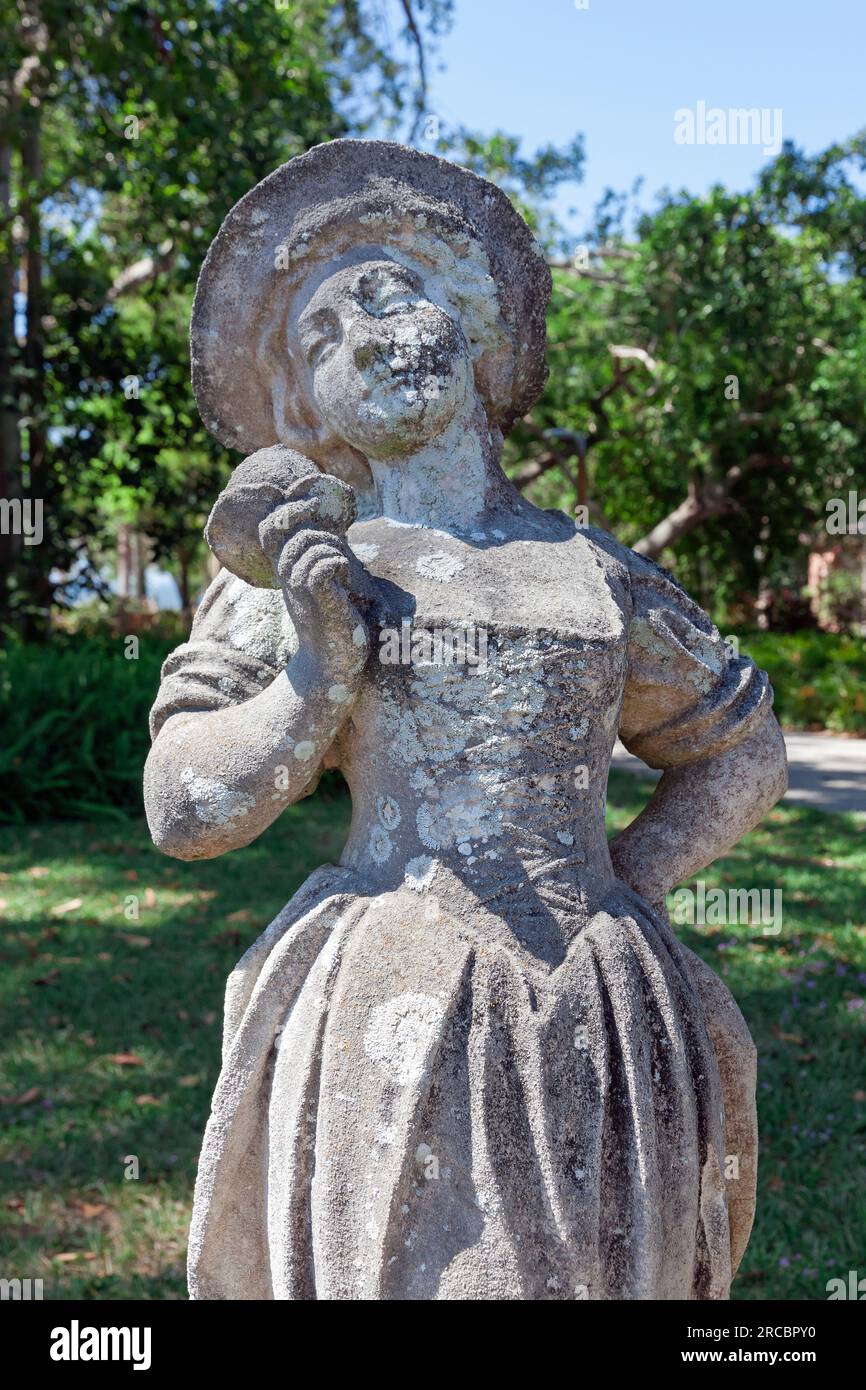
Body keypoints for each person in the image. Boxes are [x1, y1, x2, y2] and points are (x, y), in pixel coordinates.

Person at [144, 140, 787, 1301]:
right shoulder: (294, 570)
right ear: (300, 403)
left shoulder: (590, 570)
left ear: (473, 318)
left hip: (600, 995)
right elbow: (184, 808)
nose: (363, 333)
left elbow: (739, 747)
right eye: (319, 337)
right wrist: (312, 677)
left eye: (387, 292)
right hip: (394, 996)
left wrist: (625, 883)